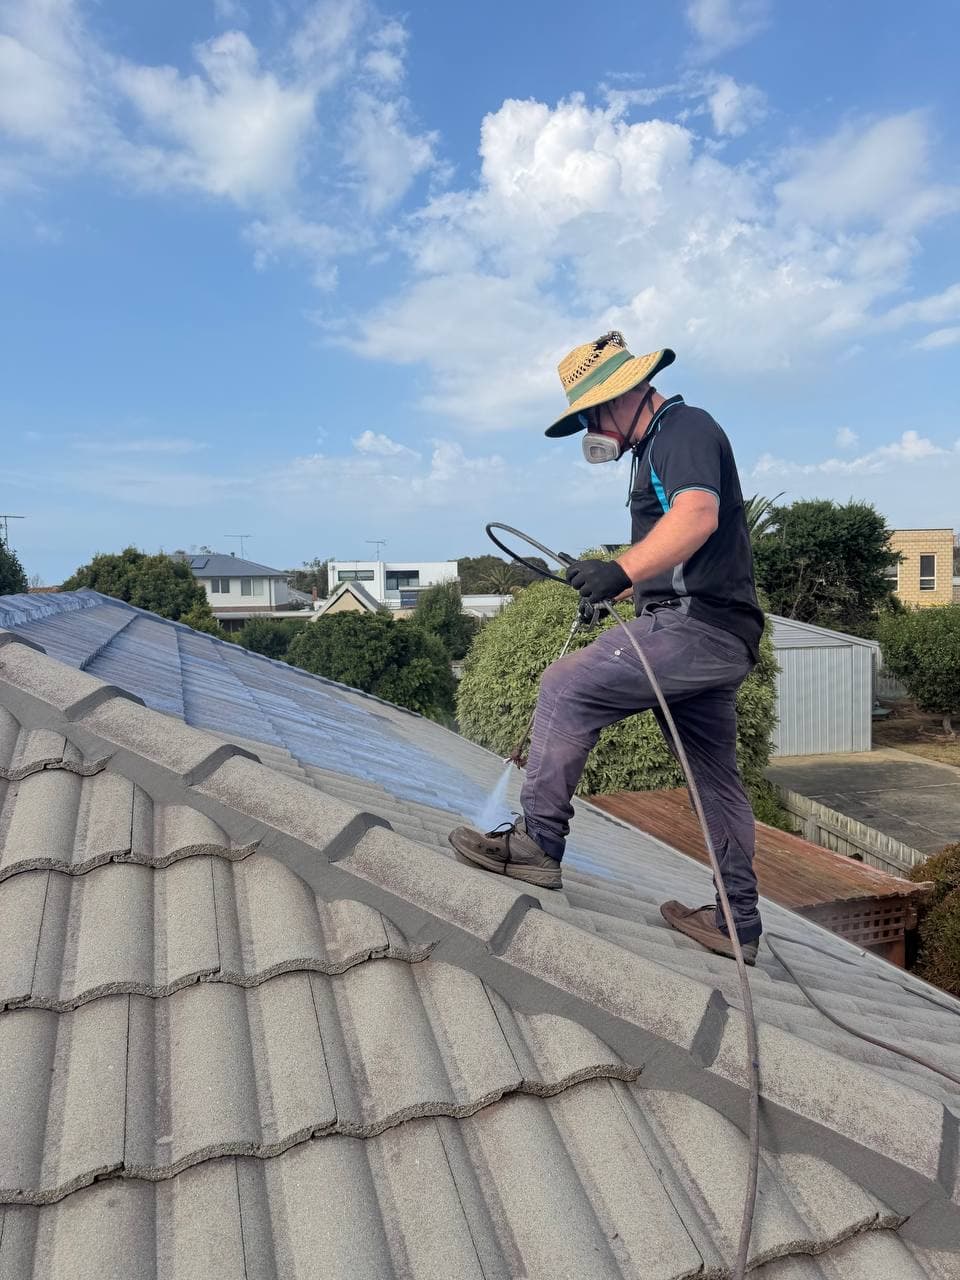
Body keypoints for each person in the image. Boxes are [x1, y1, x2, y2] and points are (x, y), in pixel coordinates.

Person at [449, 331, 765, 964]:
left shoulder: (682, 429)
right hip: (720, 637)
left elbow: (697, 517)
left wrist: (620, 569)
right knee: (715, 781)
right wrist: (619, 588)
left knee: (564, 685)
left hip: (694, 627)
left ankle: (537, 845)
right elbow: (684, 555)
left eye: (592, 415)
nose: (591, 429)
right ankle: (738, 920)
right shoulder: (656, 446)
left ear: (623, 394)